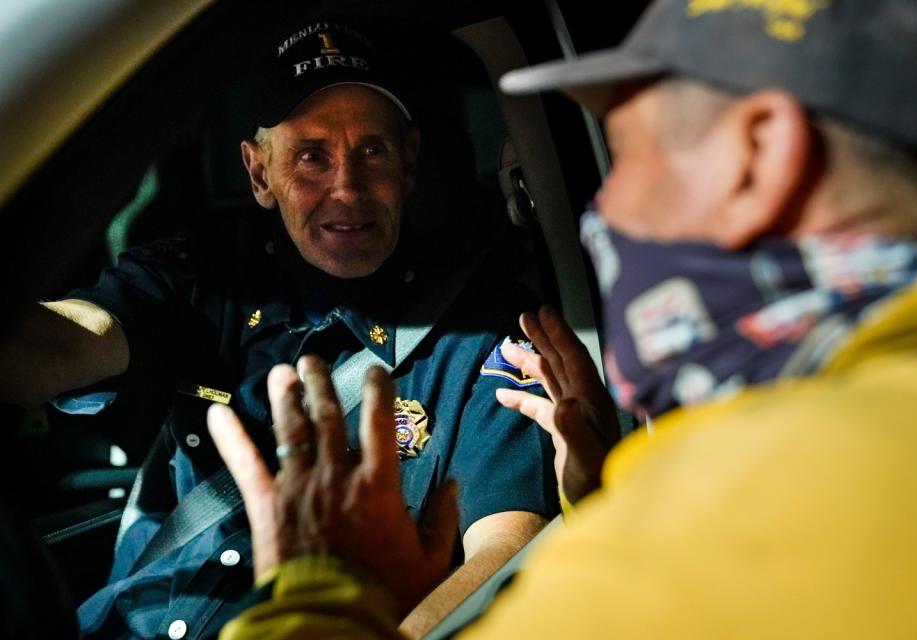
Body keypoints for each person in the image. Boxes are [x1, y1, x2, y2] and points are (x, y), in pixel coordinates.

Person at [210, 0, 917, 637]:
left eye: (629, 152)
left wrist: (317, 607)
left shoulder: (758, 508)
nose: (603, 207)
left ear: (758, 159)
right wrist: (608, 498)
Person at [0, 16, 558, 640]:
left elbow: (507, 546)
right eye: (312, 156)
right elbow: (64, 341)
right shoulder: (201, 279)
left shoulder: (485, 328)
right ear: (260, 173)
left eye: (371, 151)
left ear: (408, 163)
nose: (347, 189)